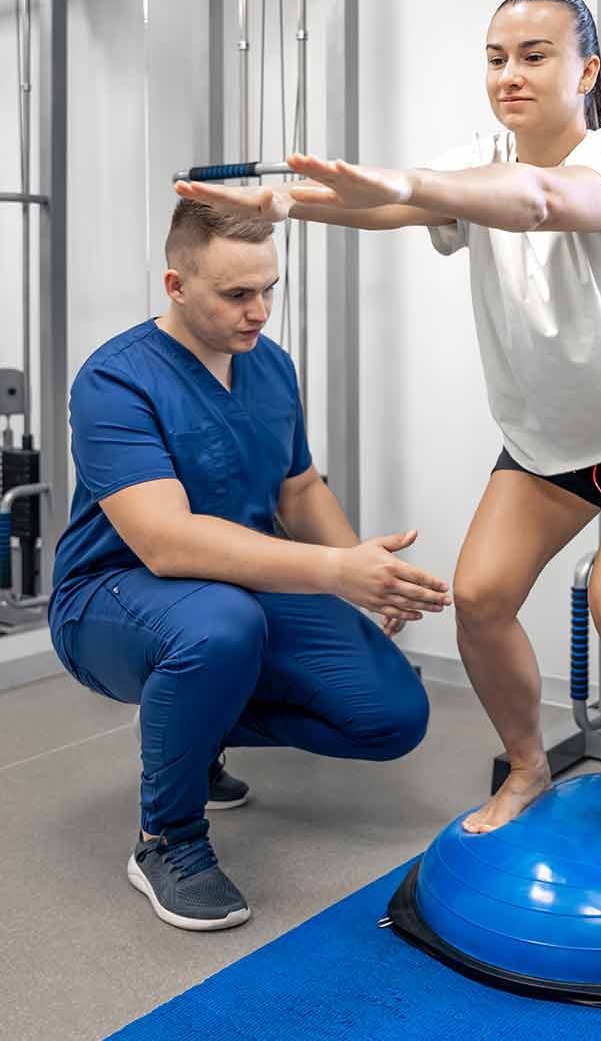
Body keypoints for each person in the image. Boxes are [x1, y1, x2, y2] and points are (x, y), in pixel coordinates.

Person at [176, 0, 601, 878]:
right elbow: (395, 206)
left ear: (586, 69)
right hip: (553, 440)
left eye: (534, 54)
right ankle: (525, 769)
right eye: (495, 56)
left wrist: (410, 182)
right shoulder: (477, 160)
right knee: (479, 600)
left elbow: (537, 200)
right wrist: (284, 206)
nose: (509, 74)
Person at [48, 200, 449, 931]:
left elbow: (298, 487)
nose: (259, 310)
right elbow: (166, 543)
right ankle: (166, 839)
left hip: (241, 589)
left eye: (269, 289)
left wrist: (365, 568)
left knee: (391, 717)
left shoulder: (271, 367)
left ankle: (192, 731)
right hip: (113, 596)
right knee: (218, 627)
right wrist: (330, 572)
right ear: (176, 286)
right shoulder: (115, 381)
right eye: (237, 294)